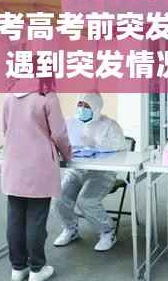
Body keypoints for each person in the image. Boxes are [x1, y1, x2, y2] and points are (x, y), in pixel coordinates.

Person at [2, 76, 71, 281]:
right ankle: (37, 269)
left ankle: (18, 268)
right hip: (39, 166)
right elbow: (59, 134)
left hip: (13, 164)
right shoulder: (46, 95)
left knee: (15, 218)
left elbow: (5, 129)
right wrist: (67, 155)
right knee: (36, 218)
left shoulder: (9, 95)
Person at [54, 92, 126, 252]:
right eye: (80, 104)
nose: (82, 109)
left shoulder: (109, 125)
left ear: (96, 107)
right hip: (77, 170)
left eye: (86, 106)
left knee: (86, 201)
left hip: (101, 173)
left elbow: (121, 151)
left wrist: (96, 144)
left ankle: (108, 232)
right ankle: (70, 228)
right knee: (59, 197)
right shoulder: (70, 123)